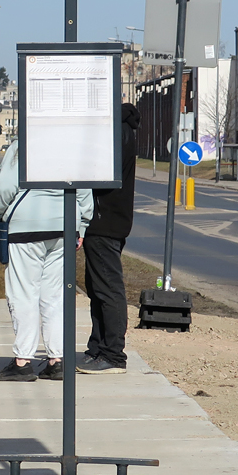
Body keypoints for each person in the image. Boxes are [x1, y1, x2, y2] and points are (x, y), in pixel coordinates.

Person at [0, 138, 93, 382]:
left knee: (24, 292)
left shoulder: (24, 143)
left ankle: (22, 361)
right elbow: (85, 189)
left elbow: (5, 187)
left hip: (27, 226)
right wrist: (82, 226)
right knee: (54, 295)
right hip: (65, 225)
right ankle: (56, 360)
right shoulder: (72, 145)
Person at [80, 103, 139, 374]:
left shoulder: (116, 132)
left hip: (105, 221)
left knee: (108, 290)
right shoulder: (121, 129)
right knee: (97, 290)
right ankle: (98, 348)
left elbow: (103, 176)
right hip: (105, 221)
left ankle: (113, 355)